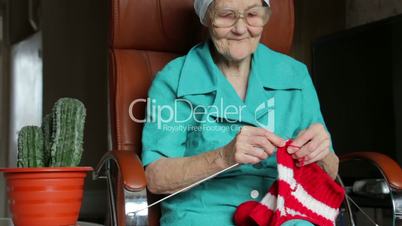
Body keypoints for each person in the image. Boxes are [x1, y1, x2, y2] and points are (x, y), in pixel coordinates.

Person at [141, 0, 340, 225]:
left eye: (253, 14)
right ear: (207, 18)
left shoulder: (295, 74)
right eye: (226, 15)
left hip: (285, 209)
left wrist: (320, 154)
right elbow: (155, 178)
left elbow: (330, 172)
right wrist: (224, 156)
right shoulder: (173, 80)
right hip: (204, 214)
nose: (240, 28)